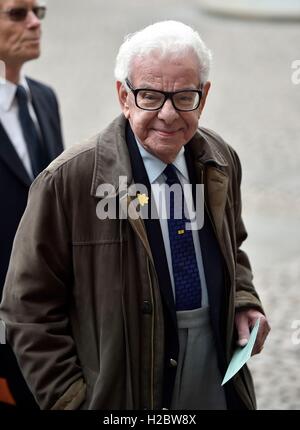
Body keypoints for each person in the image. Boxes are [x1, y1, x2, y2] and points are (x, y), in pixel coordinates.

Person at [0, 20, 270, 410]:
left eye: (183, 97)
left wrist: (245, 299)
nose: (168, 114)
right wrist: (71, 400)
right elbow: (26, 308)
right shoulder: (68, 181)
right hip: (121, 392)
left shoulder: (221, 160)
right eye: (149, 96)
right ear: (123, 96)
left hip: (213, 376)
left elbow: (234, 248)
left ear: (204, 95)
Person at [0, 0, 64, 409]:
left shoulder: (44, 99)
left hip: (49, 322)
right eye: (18, 13)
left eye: (38, 11)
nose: (34, 22)